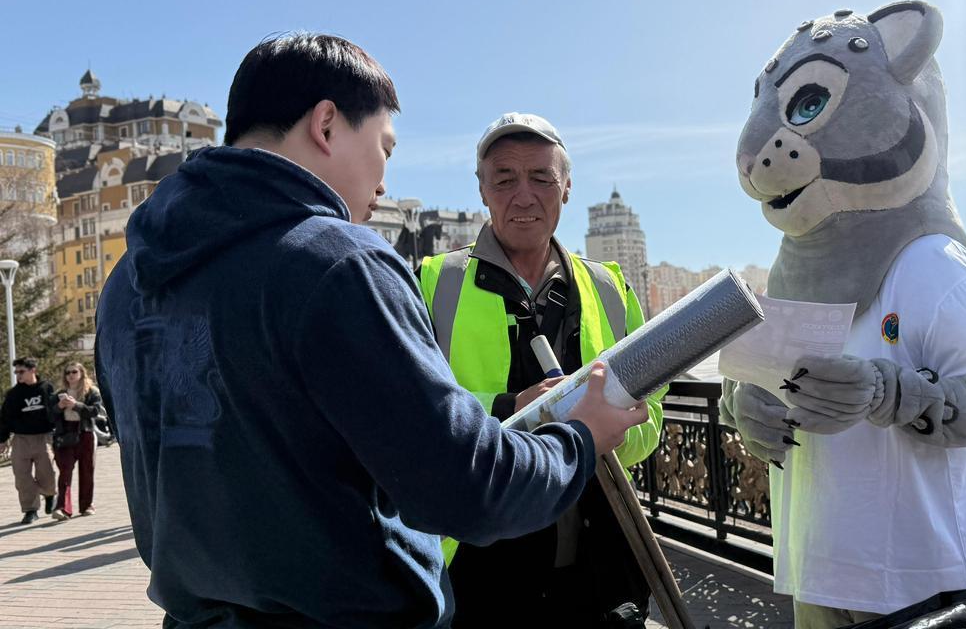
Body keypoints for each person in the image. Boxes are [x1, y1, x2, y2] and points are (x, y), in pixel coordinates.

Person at [94, 33, 646, 628]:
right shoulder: (338, 262)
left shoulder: (126, 284)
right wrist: (580, 437)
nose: (382, 184)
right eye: (383, 147)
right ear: (327, 124)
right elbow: (464, 489)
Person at [723, 1, 966, 628]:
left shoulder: (933, 263)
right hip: (813, 564)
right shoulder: (790, 273)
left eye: (808, 103)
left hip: (915, 581)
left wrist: (890, 393)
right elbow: (765, 378)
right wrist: (744, 407)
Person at [419, 112, 665, 627]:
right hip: (477, 567)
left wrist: (610, 430)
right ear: (482, 190)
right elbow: (407, 415)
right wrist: (513, 411)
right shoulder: (432, 282)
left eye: (541, 178)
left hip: (602, 567)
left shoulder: (609, 287)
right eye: (504, 180)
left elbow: (653, 418)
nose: (523, 196)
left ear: (567, 188)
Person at [0, 357, 57, 524]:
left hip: (43, 437)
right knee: (22, 476)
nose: (18, 375)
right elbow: (5, 418)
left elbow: (54, 411)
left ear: (33, 370)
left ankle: (49, 495)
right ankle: (30, 510)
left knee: (46, 473)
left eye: (21, 371)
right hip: (21, 439)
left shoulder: (46, 388)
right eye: (16, 372)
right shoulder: (13, 394)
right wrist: (2, 439)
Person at [50, 362, 102, 520]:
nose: (70, 375)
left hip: (85, 433)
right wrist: (59, 406)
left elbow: (95, 411)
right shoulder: (59, 394)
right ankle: (62, 508)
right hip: (65, 434)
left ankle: (87, 505)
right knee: (65, 471)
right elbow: (50, 416)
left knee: (87, 471)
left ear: (81, 373)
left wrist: (76, 405)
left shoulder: (91, 392)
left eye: (74, 372)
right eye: (67, 373)